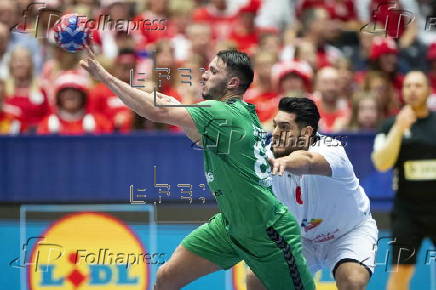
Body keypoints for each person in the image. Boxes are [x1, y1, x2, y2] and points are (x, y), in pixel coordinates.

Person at [80, 48, 315, 289]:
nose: (204, 75)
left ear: (232, 82)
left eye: (213, 71)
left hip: (267, 231)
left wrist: (104, 76)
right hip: (231, 227)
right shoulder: (237, 113)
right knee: (167, 278)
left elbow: (154, 110)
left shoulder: (221, 113)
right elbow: (166, 103)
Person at [245, 97, 378, 290]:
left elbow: (307, 160)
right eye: (275, 126)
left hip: (348, 232)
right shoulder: (267, 155)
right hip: (299, 238)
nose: (275, 134)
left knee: (352, 281)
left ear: (306, 132)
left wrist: (285, 163)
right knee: (256, 280)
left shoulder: (333, 151)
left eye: (284, 128)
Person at [371, 71, 436, 290]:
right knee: (401, 269)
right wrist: (399, 128)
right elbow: (381, 163)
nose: (412, 90)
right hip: (408, 210)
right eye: (408, 86)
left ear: (428, 90)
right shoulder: (389, 126)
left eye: (418, 85)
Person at [37, 71, 112, 135]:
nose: (70, 94)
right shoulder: (46, 125)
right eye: (65, 91)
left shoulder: (100, 123)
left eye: (75, 90)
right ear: (58, 96)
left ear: (83, 96)